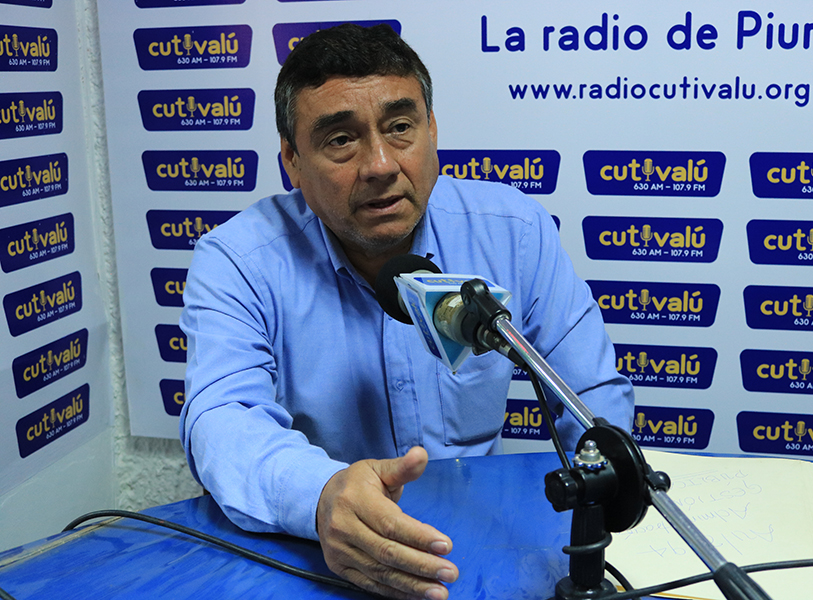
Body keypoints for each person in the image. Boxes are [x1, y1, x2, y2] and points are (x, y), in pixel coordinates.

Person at [179, 23, 634, 600]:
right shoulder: (238, 260)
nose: (380, 165)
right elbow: (221, 419)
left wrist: (602, 493)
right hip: (320, 558)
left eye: (400, 128)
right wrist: (321, 496)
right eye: (340, 139)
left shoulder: (513, 231)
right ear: (292, 161)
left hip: (478, 548)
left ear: (432, 130)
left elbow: (589, 393)